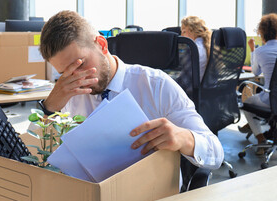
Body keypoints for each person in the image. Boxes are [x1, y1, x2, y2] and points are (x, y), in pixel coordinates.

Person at [38, 11, 223, 174]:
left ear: (102, 45)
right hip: (91, 197)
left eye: (80, 64)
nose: (77, 78)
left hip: (151, 200)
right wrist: (50, 106)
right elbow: (37, 158)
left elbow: (215, 153)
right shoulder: (67, 94)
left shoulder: (156, 86)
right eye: (65, 73)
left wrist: (184, 139)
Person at [238, 13, 277, 155]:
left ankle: (260, 138)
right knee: (256, 99)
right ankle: (251, 126)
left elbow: (255, 72)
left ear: (262, 32)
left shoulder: (260, 51)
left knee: (246, 103)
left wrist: (253, 50)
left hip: (271, 100)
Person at [181, 16, 211, 80]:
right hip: (206, 88)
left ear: (192, 30)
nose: (181, 35)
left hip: (191, 89)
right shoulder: (208, 46)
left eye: (184, 31)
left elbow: (184, 80)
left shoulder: (193, 48)